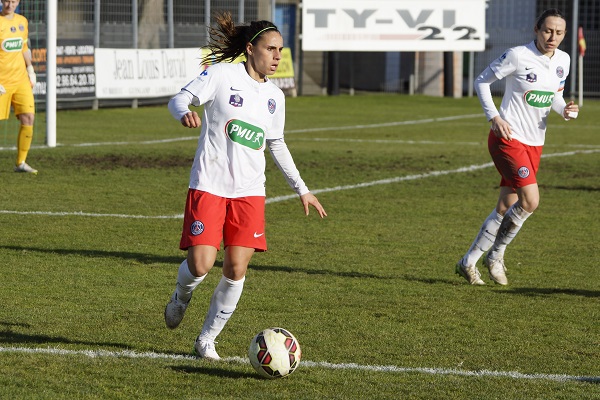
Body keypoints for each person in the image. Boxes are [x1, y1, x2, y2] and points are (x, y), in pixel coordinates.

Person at [164, 12, 327, 360]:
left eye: (281, 50)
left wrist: (302, 189)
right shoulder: (222, 75)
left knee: (236, 268)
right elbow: (179, 98)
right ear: (251, 49)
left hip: (250, 192)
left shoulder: (275, 97)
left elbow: (276, 143)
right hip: (209, 184)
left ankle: (207, 339)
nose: (277, 56)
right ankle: (181, 295)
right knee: (201, 264)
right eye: (271, 49)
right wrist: (184, 113)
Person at [455, 8, 579, 286]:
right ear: (536, 29)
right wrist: (494, 117)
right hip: (508, 137)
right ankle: (495, 255)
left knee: (506, 204)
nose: (552, 36)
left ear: (564, 35)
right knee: (530, 201)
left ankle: (468, 261)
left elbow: (554, 96)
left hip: (535, 141)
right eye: (547, 30)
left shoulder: (564, 60)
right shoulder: (517, 55)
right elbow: (482, 81)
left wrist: (566, 110)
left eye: (559, 32)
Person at [0, 0, 37, 174]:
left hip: (21, 80)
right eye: (6, 1)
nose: (9, 5)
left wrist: (30, 70)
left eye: (13, 1)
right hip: (2, 82)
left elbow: (24, 47)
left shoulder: (22, 21)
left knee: (28, 117)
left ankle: (21, 163)